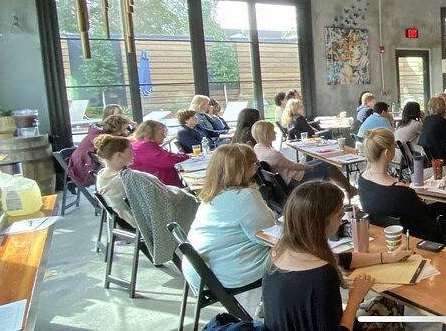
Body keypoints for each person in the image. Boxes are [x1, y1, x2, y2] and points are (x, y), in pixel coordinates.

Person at [263, 181, 412, 331]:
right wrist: (355, 298)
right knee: (389, 309)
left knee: (385, 302)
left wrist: (387, 257)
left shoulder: (279, 252)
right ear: (322, 224)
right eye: (340, 215)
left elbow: (342, 259)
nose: (342, 221)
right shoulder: (322, 274)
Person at [184, 144, 275, 308]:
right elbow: (268, 236)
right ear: (242, 169)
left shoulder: (211, 194)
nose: (256, 168)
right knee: (296, 251)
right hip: (227, 272)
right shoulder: (245, 196)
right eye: (253, 164)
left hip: (200, 270)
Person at [358, 128, 446, 242]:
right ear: (387, 153)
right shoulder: (400, 191)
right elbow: (425, 216)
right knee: (444, 209)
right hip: (413, 238)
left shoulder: (362, 180)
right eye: (393, 147)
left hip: (384, 234)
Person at [254, 121, 344, 189]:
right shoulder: (273, 154)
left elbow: (291, 165)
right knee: (329, 166)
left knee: (325, 162)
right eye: (273, 131)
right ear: (266, 134)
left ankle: (327, 192)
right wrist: (309, 166)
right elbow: (294, 166)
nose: (276, 132)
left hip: (286, 177)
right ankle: (348, 190)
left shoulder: (257, 147)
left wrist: (309, 165)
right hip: (294, 179)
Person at [68, 114, 132, 188]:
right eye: (124, 129)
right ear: (116, 128)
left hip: (85, 165)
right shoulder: (98, 137)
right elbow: (112, 147)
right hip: (82, 170)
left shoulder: (99, 132)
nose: (125, 132)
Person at [130, 120, 190, 187]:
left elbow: (169, 155)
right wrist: (187, 157)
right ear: (150, 133)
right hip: (162, 189)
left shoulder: (146, 145)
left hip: (162, 186)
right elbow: (167, 160)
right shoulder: (143, 147)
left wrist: (184, 156)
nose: (164, 136)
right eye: (162, 134)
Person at [418, 96, 446, 172]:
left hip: (427, 155)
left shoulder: (426, 120)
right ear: (444, 107)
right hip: (438, 156)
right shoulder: (443, 121)